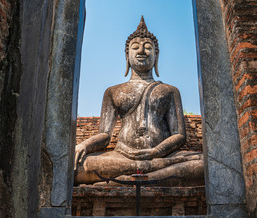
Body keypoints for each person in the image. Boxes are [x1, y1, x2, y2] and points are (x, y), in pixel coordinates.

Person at [74, 16, 204, 186]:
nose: (142, 51)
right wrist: (83, 145)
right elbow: (105, 135)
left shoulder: (170, 91)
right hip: (121, 156)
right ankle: (149, 176)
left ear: (157, 56)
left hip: (160, 158)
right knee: (77, 167)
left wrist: (156, 152)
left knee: (204, 165)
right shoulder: (113, 91)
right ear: (127, 56)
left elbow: (179, 135)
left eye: (148, 47)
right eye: (135, 47)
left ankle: (124, 181)